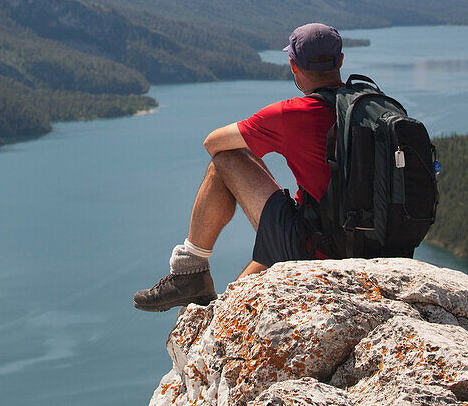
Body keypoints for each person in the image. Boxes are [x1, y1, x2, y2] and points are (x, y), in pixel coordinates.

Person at [133, 22, 344, 312]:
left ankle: (189, 271)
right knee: (291, 226)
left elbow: (213, 143)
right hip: (374, 251)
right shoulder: (373, 106)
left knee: (226, 161)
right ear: (341, 61)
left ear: (294, 66)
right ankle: (224, 310)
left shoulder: (294, 114)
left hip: (318, 252)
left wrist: (258, 144)